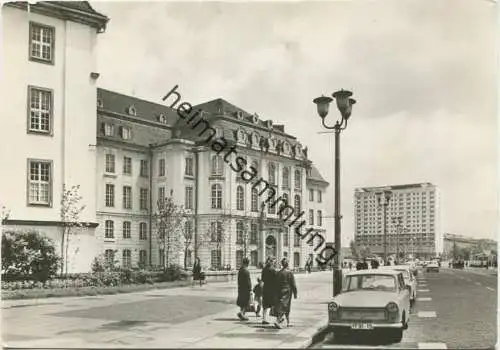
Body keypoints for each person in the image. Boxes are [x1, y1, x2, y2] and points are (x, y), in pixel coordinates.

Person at [274, 257, 297, 329]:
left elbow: (276, 283)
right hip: (287, 292)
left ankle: (288, 322)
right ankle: (278, 321)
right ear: (287, 264)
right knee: (285, 306)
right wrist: (295, 293)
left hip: (279, 291)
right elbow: (293, 284)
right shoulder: (289, 272)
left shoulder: (279, 272)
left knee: (282, 306)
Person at [261, 256, 277, 324]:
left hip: (265, 288)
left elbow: (263, 279)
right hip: (272, 289)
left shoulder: (264, 269)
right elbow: (276, 280)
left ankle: (264, 319)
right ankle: (278, 319)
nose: (274, 262)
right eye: (274, 261)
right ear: (271, 261)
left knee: (265, 305)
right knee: (274, 304)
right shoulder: (273, 270)